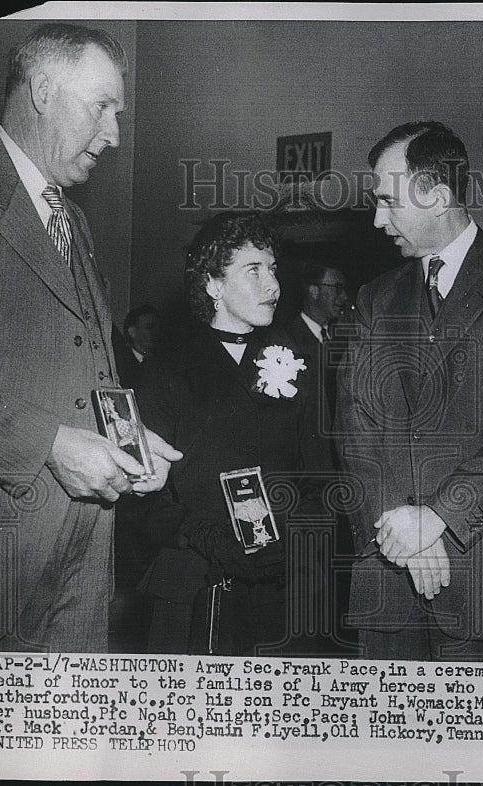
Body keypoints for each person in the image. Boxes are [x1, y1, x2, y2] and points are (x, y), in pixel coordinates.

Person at [0, 23, 181, 652]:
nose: (115, 135)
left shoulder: (72, 220)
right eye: (102, 107)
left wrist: (127, 440)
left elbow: (85, 370)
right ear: (42, 90)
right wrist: (47, 443)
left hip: (81, 565)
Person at [336, 121, 483, 660]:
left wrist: (439, 516)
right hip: (388, 586)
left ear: (438, 196)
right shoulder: (375, 298)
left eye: (388, 202)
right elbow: (355, 426)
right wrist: (404, 533)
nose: (377, 219)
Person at [136, 212, 334, 655]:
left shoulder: (297, 363)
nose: (274, 286)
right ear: (213, 285)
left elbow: (320, 474)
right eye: (254, 270)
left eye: (273, 269)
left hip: (285, 585)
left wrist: (296, 538)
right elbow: (147, 498)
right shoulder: (166, 371)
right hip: (196, 582)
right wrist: (210, 540)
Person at [282, 262, 351, 420]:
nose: (344, 297)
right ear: (314, 291)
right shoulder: (286, 340)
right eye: (337, 288)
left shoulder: (344, 339)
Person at [113, 303, 160, 389]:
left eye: (158, 328)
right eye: (149, 328)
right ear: (132, 332)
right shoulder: (120, 363)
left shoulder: (161, 367)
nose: (156, 333)